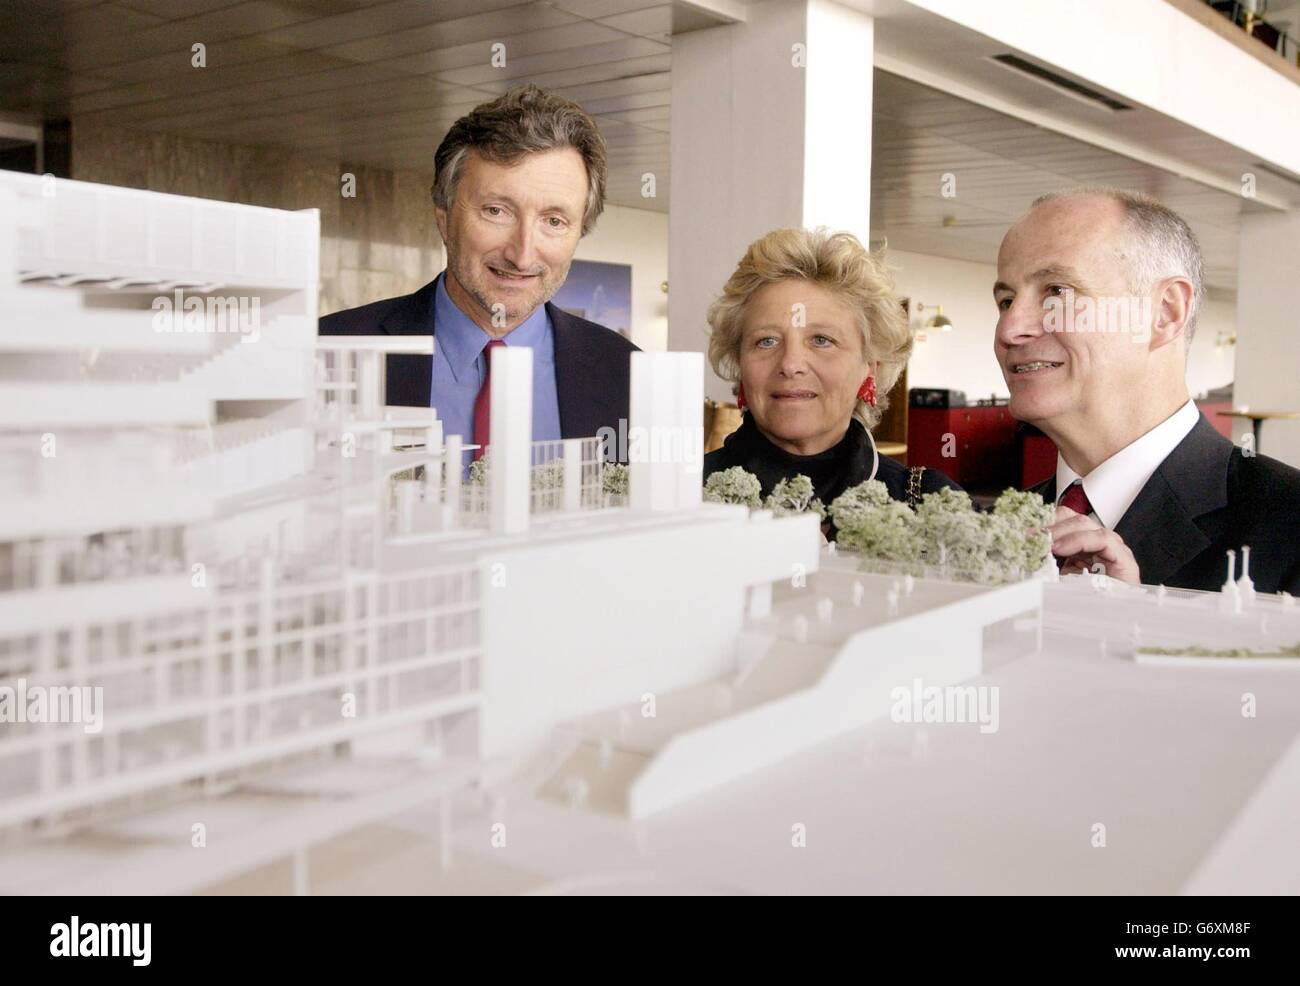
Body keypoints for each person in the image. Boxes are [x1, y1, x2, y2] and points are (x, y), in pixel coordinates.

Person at [994, 187, 1300, 593]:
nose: (1010, 329)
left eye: (1057, 292)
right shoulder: (1002, 525)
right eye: (1006, 300)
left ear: (1164, 313)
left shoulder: (1290, 526)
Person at [319, 84, 637, 461]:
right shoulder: (324, 353)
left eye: (554, 220)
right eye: (496, 211)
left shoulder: (628, 374)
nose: (521, 254)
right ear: (444, 218)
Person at [704, 227, 960, 535]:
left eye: (821, 340)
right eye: (767, 341)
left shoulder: (929, 505)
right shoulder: (682, 496)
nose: (790, 364)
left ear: (871, 367)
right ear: (740, 363)